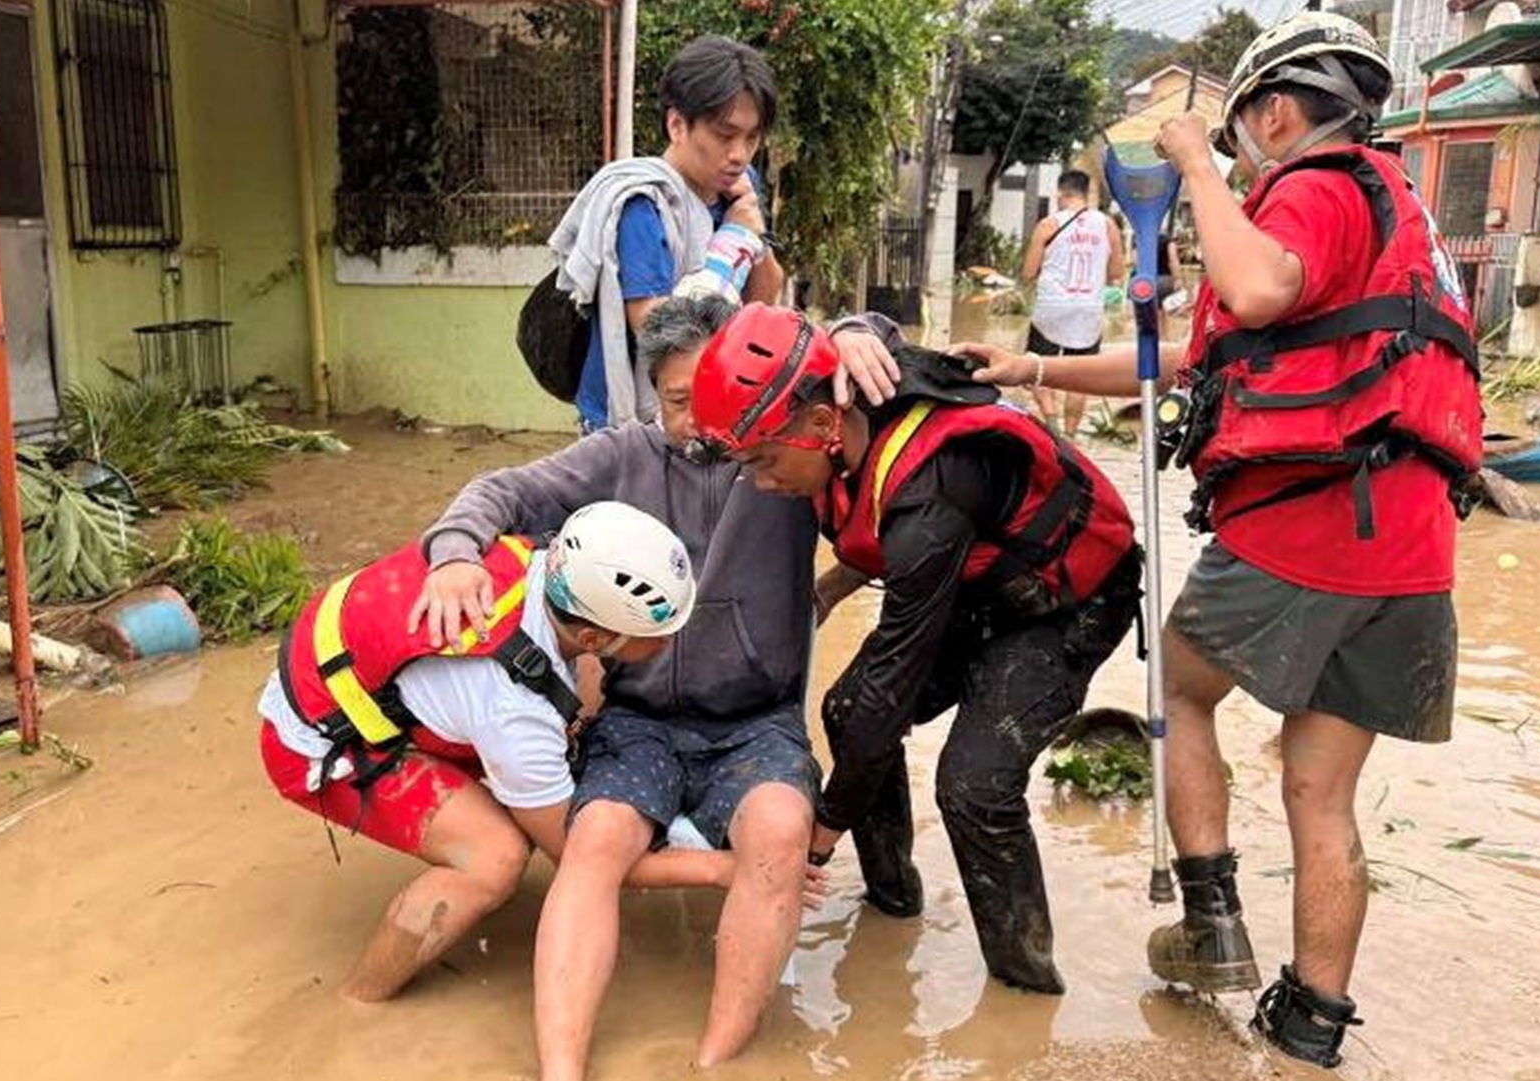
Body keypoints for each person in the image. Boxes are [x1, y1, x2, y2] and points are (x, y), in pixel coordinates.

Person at [962, 12, 1482, 1067]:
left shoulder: (1316, 190)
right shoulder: (1395, 218)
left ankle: (1210, 924)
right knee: (1320, 788)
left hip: (1313, 529)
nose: (1236, 150)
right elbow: (1188, 360)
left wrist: (1195, 161)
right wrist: (1035, 370)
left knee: (1178, 688)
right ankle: (1309, 1025)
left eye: (1239, 129)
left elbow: (1253, 290)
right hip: (1411, 553)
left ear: (1275, 112)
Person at [412, 294, 828, 1077]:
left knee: (778, 830)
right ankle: (561, 1069)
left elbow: (864, 390)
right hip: (637, 718)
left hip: (757, 720)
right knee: (595, 838)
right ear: (651, 396)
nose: (705, 422)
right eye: (680, 401)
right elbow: (505, 491)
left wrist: (860, 334)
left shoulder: (784, 455)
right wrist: (457, 551)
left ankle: (717, 1059)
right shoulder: (618, 457)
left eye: (718, 399)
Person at [687, 302, 1143, 995]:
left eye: (765, 461)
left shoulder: (933, 487)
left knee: (973, 785)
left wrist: (825, 826)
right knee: (844, 710)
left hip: (1066, 603)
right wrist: (838, 584)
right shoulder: (853, 395)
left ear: (819, 426)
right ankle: (892, 901)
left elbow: (894, 685)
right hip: (979, 582)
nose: (761, 482)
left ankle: (1023, 992)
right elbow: (872, 341)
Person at [260, 501, 723, 1003]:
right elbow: (580, 857)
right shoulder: (512, 710)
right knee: (495, 857)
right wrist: (719, 868)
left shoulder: (541, 559)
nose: (670, 644)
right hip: (315, 743)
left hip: (352, 675)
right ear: (592, 634)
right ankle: (361, 999)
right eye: (658, 637)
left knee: (585, 694)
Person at [549, 35, 786, 432]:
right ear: (677, 124)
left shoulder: (740, 187)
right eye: (725, 135)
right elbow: (658, 330)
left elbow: (763, 298)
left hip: (711, 404)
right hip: (633, 420)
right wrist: (732, 245)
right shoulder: (644, 204)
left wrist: (751, 236)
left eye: (752, 137)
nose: (740, 154)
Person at [1020, 170, 1123, 436]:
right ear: (1086, 193)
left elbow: (1029, 272)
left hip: (1050, 309)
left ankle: (1051, 421)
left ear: (1060, 194)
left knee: (1038, 369)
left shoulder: (1049, 224)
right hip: (1088, 309)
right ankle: (1071, 436)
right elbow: (1116, 272)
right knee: (1080, 377)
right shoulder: (1108, 225)